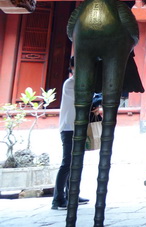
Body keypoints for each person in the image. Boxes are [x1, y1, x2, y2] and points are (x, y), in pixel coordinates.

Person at [51, 57, 89, 210]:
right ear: (72, 67)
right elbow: (83, 99)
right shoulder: (70, 83)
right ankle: (58, 200)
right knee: (67, 164)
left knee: (76, 164)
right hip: (68, 128)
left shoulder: (82, 83)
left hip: (78, 127)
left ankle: (72, 194)